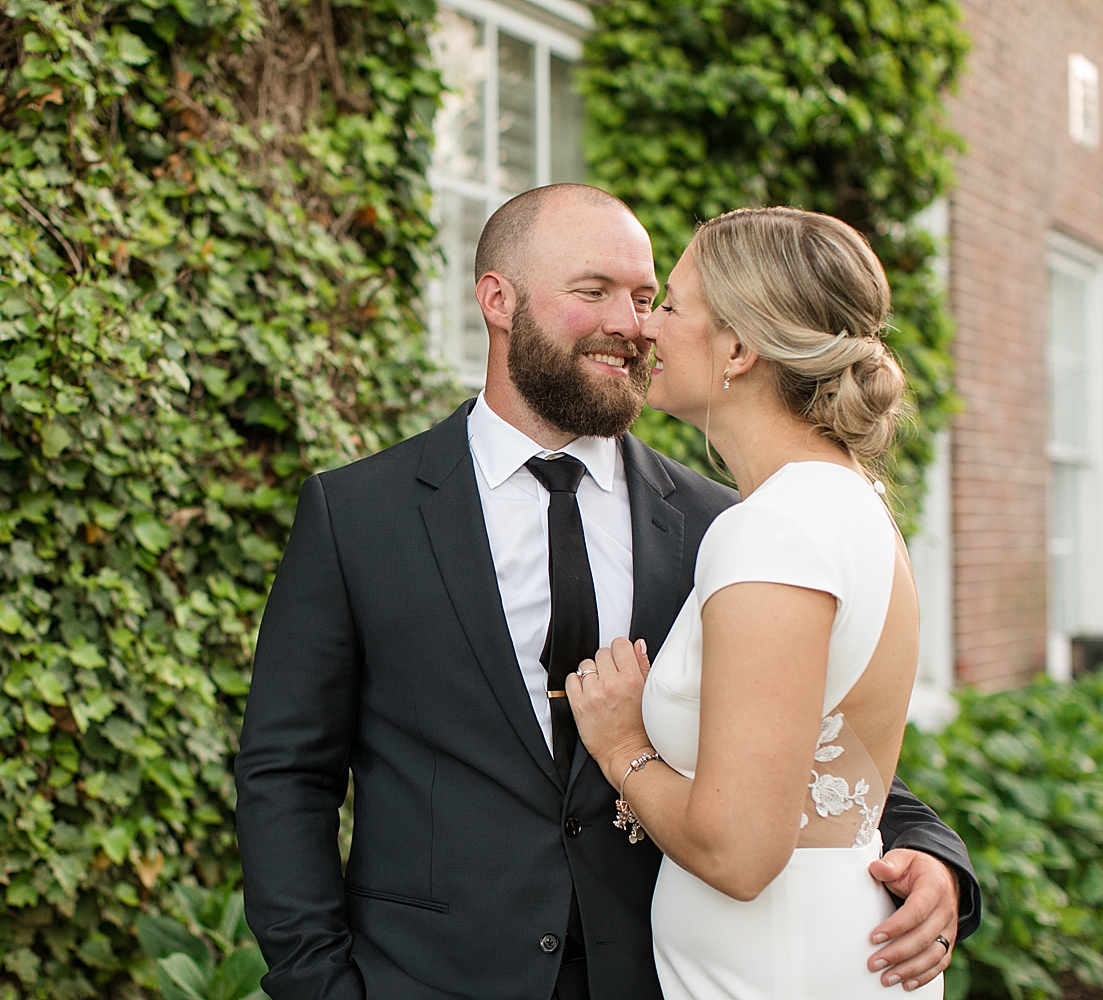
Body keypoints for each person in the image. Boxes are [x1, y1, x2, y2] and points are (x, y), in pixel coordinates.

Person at [235, 185, 979, 1000]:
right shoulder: (358, 516)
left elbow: (793, 738)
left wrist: (929, 852)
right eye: (594, 293)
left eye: (647, 298)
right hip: (429, 978)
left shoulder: (724, 520)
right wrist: (318, 986)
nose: (631, 324)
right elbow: (287, 772)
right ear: (498, 300)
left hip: (664, 979)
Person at [568, 205, 955, 998]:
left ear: (739, 349)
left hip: (771, 970)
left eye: (669, 304)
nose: (646, 330)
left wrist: (622, 748)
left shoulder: (774, 530)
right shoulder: (844, 501)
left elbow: (740, 853)